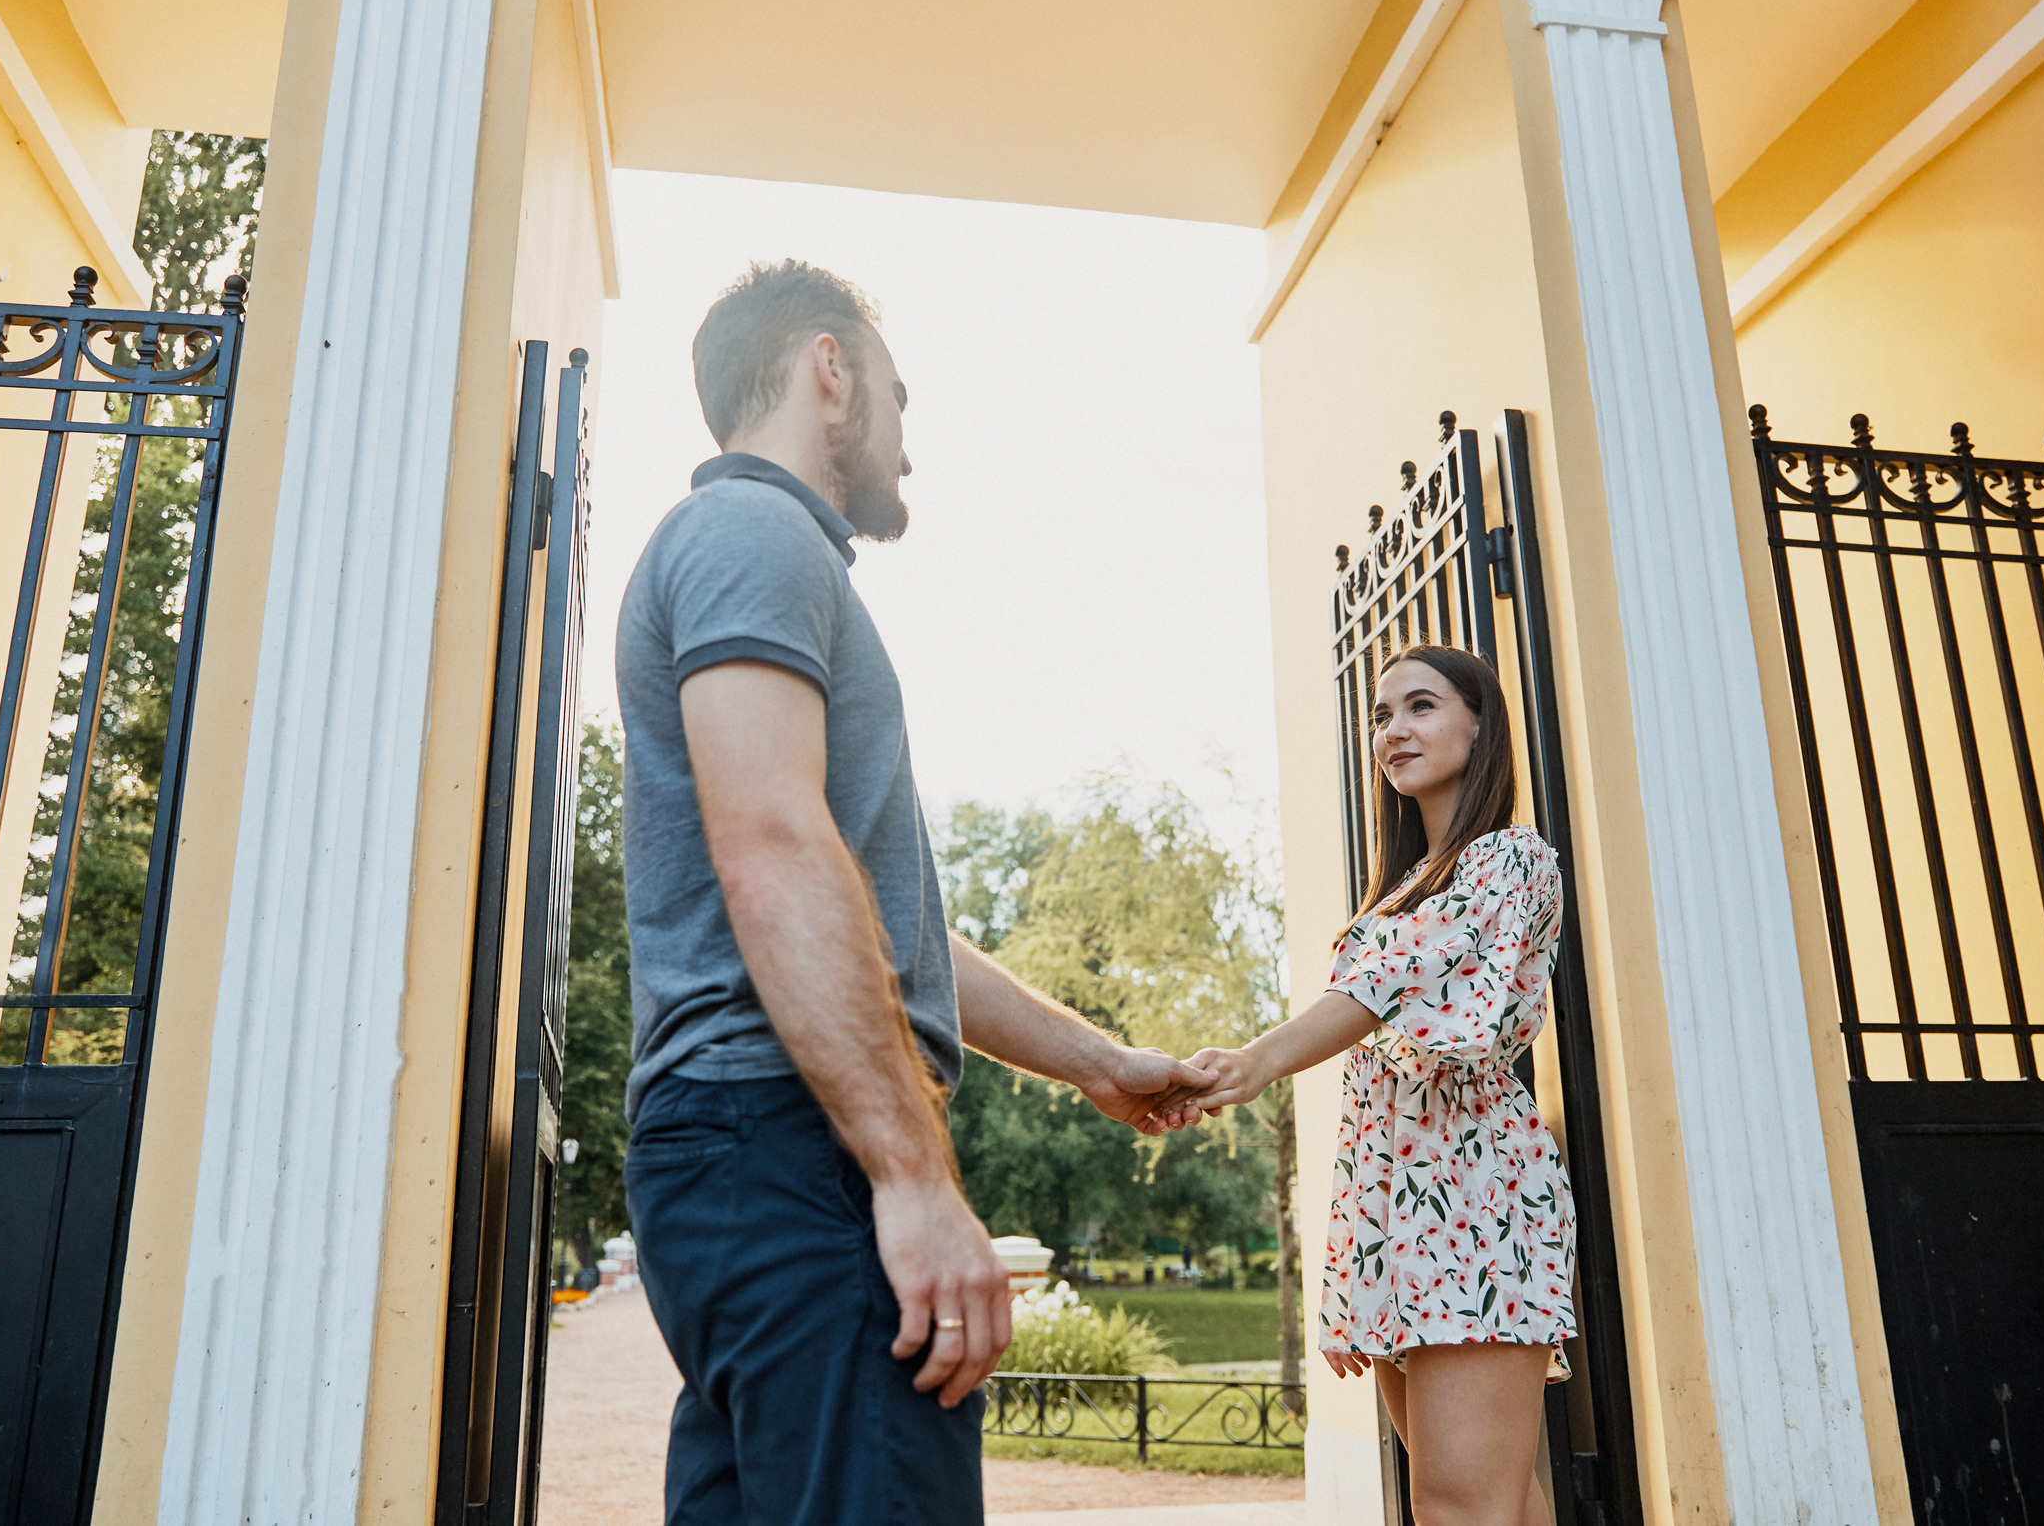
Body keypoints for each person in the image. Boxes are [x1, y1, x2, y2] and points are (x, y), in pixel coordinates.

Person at [616, 260, 1215, 1526]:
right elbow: (772, 848)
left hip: (745, 1157)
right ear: (828, 368)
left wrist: (1095, 1060)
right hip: (789, 1144)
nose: (908, 441)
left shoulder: (763, 552)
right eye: (897, 392)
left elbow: (871, 921)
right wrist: (909, 1174)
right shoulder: (751, 532)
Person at [1172, 644, 1576, 1526]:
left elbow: (1391, 992)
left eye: (1421, 707)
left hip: (1476, 1197)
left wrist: (1248, 1064)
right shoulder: (1400, 892)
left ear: (1480, 724)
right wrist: (1360, 1255)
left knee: (1459, 1502)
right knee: (1489, 1498)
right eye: (1382, 715)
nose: (1393, 729)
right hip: (1399, 1205)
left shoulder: (1512, 863)